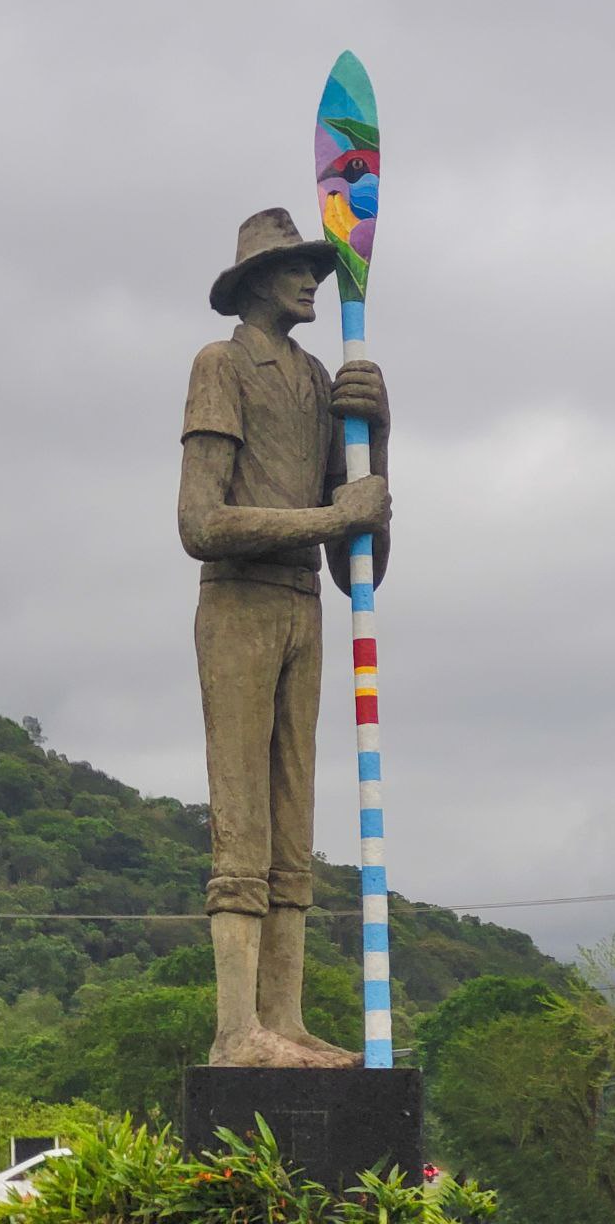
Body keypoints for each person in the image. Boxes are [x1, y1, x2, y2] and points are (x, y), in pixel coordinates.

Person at [178, 208, 391, 1066]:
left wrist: (377, 435)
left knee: (293, 813)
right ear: (255, 282)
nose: (311, 281)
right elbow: (198, 521)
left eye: (315, 267)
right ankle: (238, 1031)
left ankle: (285, 1017)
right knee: (242, 816)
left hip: (306, 601)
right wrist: (326, 514)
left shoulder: (316, 382)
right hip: (237, 604)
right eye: (294, 268)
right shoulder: (221, 365)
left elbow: (357, 560)